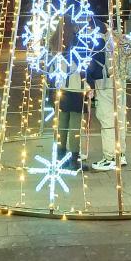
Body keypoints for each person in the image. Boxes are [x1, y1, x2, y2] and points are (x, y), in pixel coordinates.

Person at [86, 18, 130, 171]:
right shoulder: (118, 38)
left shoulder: (99, 41)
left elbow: (93, 66)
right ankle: (121, 154)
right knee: (120, 118)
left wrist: (89, 81)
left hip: (105, 83)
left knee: (107, 119)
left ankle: (110, 157)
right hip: (121, 82)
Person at [49, 19, 87, 171]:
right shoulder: (77, 42)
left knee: (61, 124)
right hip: (76, 88)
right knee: (75, 126)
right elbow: (84, 65)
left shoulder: (53, 42)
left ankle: (60, 156)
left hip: (59, 88)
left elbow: (50, 67)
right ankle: (74, 159)